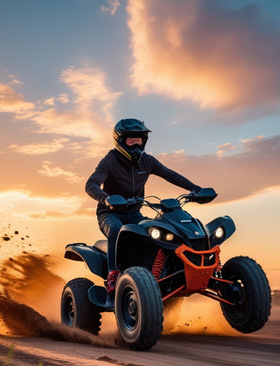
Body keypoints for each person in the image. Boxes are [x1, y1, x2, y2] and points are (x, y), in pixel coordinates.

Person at [85, 118, 202, 307]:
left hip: (135, 214)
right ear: (121, 141)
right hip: (110, 214)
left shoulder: (147, 161)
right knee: (116, 230)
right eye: (131, 140)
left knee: (159, 232)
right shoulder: (109, 161)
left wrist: (195, 188)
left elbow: (169, 174)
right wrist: (106, 198)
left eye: (139, 139)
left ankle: (158, 276)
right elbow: (91, 184)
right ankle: (113, 277)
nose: (136, 143)